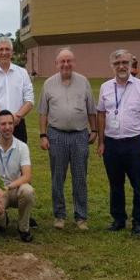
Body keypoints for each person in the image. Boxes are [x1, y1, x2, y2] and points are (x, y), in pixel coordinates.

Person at [96, 49, 140, 237]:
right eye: (117, 63)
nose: (121, 66)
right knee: (115, 184)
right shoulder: (105, 87)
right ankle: (118, 219)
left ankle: (139, 222)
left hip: (135, 143)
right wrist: (101, 142)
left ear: (131, 64)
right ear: (112, 66)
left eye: (124, 62)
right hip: (112, 144)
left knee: (138, 184)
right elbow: (101, 114)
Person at [38, 48, 97, 231]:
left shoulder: (84, 82)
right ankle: (59, 216)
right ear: (56, 64)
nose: (65, 64)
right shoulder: (48, 84)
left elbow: (91, 109)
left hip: (80, 135)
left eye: (69, 61)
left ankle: (81, 217)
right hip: (56, 134)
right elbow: (43, 112)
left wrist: (94, 129)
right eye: (62, 61)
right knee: (58, 177)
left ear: (74, 62)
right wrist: (43, 135)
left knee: (80, 177)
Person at [0, 110, 35, 242]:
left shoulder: (22, 146)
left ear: (14, 126)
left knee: (28, 191)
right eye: (3, 124)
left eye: (10, 123)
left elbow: (27, 176)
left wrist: (7, 187)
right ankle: (3, 222)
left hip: (15, 189)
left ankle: (23, 228)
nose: (7, 127)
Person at [0, 36, 34, 143]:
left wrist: (17, 116)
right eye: (1, 49)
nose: (4, 52)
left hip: (17, 124)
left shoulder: (22, 73)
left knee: (18, 158)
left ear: (12, 52)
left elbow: (29, 100)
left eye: (7, 49)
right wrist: (6, 118)